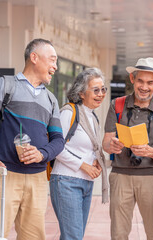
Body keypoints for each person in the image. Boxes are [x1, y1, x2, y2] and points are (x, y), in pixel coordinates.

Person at [0, 38, 65, 240]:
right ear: (34, 57)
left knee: (34, 237)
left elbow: (58, 140)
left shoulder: (51, 100)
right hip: (4, 175)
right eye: (52, 60)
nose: (55, 67)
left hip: (37, 179)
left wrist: (42, 154)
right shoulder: (5, 84)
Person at [102, 57, 153, 240]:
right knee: (118, 234)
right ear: (132, 79)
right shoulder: (116, 105)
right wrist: (113, 145)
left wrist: (150, 151)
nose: (144, 87)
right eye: (140, 81)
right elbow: (106, 143)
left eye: (150, 82)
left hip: (152, 177)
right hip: (120, 176)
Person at [50, 68, 109, 240]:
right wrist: (83, 165)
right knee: (73, 237)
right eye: (95, 90)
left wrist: (95, 162)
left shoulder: (92, 117)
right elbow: (56, 146)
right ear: (82, 93)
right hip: (66, 181)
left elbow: (89, 148)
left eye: (103, 89)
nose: (101, 94)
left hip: (85, 182)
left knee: (74, 236)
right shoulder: (69, 113)